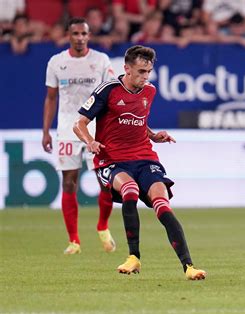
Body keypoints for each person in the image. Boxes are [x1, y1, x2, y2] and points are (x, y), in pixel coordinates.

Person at [73, 45, 207, 280]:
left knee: (162, 202)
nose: (146, 77)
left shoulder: (150, 92)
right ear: (126, 68)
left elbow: (136, 121)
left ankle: (189, 267)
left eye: (149, 72)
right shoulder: (108, 90)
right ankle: (133, 257)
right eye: (141, 71)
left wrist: (154, 135)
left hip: (144, 157)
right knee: (130, 190)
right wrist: (91, 142)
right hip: (111, 161)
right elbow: (79, 123)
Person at [42, 18, 116, 255]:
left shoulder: (101, 61)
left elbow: (112, 94)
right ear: (69, 35)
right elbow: (51, 98)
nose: (80, 38)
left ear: (89, 35)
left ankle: (103, 227)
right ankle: (74, 240)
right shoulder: (56, 62)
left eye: (84, 34)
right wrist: (45, 131)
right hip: (66, 130)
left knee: (105, 182)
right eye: (75, 33)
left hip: (96, 129)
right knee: (69, 183)